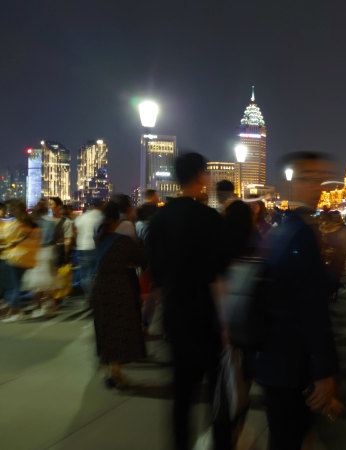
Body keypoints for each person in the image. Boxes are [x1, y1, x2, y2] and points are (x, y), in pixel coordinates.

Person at [250, 152, 339, 449]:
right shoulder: (301, 235)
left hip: (274, 360)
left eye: (320, 179)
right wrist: (324, 371)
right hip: (292, 364)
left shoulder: (280, 229)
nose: (319, 187)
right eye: (310, 179)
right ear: (294, 181)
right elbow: (312, 309)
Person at [146, 152, 231, 450]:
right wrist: (224, 324)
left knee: (181, 395)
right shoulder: (209, 219)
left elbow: (155, 276)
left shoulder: (160, 219)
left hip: (175, 315)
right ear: (199, 175)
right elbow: (216, 278)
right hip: (205, 316)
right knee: (216, 394)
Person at [91, 200, 146, 388]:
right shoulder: (123, 241)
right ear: (118, 218)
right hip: (120, 287)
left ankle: (110, 368)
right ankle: (116, 372)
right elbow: (140, 259)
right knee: (119, 328)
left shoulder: (100, 238)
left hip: (100, 287)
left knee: (105, 328)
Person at [0, 200, 38, 321]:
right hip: (27, 259)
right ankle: (14, 311)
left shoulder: (15, 224)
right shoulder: (30, 222)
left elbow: (4, 237)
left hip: (13, 258)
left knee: (12, 286)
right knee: (15, 286)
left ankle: (15, 312)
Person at [74, 199, 104, 300]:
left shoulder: (82, 217)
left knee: (84, 274)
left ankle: (88, 296)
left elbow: (76, 231)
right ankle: (93, 296)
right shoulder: (101, 217)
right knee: (94, 274)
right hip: (94, 248)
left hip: (81, 247)